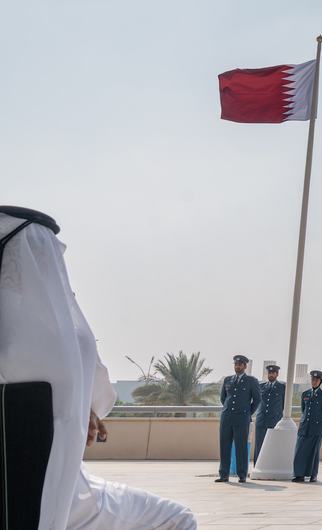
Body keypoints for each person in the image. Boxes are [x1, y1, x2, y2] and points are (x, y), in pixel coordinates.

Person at [0, 206, 195, 529]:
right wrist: (86, 408)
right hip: (63, 491)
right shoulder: (68, 335)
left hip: (29, 491)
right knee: (177, 519)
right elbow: (101, 396)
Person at [217, 354, 260, 483]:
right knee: (224, 446)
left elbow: (257, 400)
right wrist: (228, 410)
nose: (237, 367)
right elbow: (223, 398)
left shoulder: (251, 381)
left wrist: (247, 413)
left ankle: (242, 475)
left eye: (240, 365)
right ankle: (224, 474)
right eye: (236, 364)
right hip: (227, 417)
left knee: (241, 447)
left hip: (242, 418)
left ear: (245, 366)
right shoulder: (228, 380)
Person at [293, 370, 322, 483]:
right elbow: (303, 410)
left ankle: (313, 475)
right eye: (312, 380)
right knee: (299, 451)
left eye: (316, 380)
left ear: (320, 381)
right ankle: (299, 475)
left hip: (316, 428)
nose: (314, 382)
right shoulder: (305, 394)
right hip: (304, 427)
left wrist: (319, 422)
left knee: (314, 452)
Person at [253, 364, 285, 463]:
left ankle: (271, 465)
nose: (271, 375)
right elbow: (256, 401)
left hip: (275, 420)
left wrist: (278, 415)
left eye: (273, 373)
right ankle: (257, 465)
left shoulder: (282, 387)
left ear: (277, 374)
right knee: (259, 444)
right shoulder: (261, 386)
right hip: (261, 419)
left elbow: (284, 404)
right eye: (269, 373)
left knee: (273, 444)